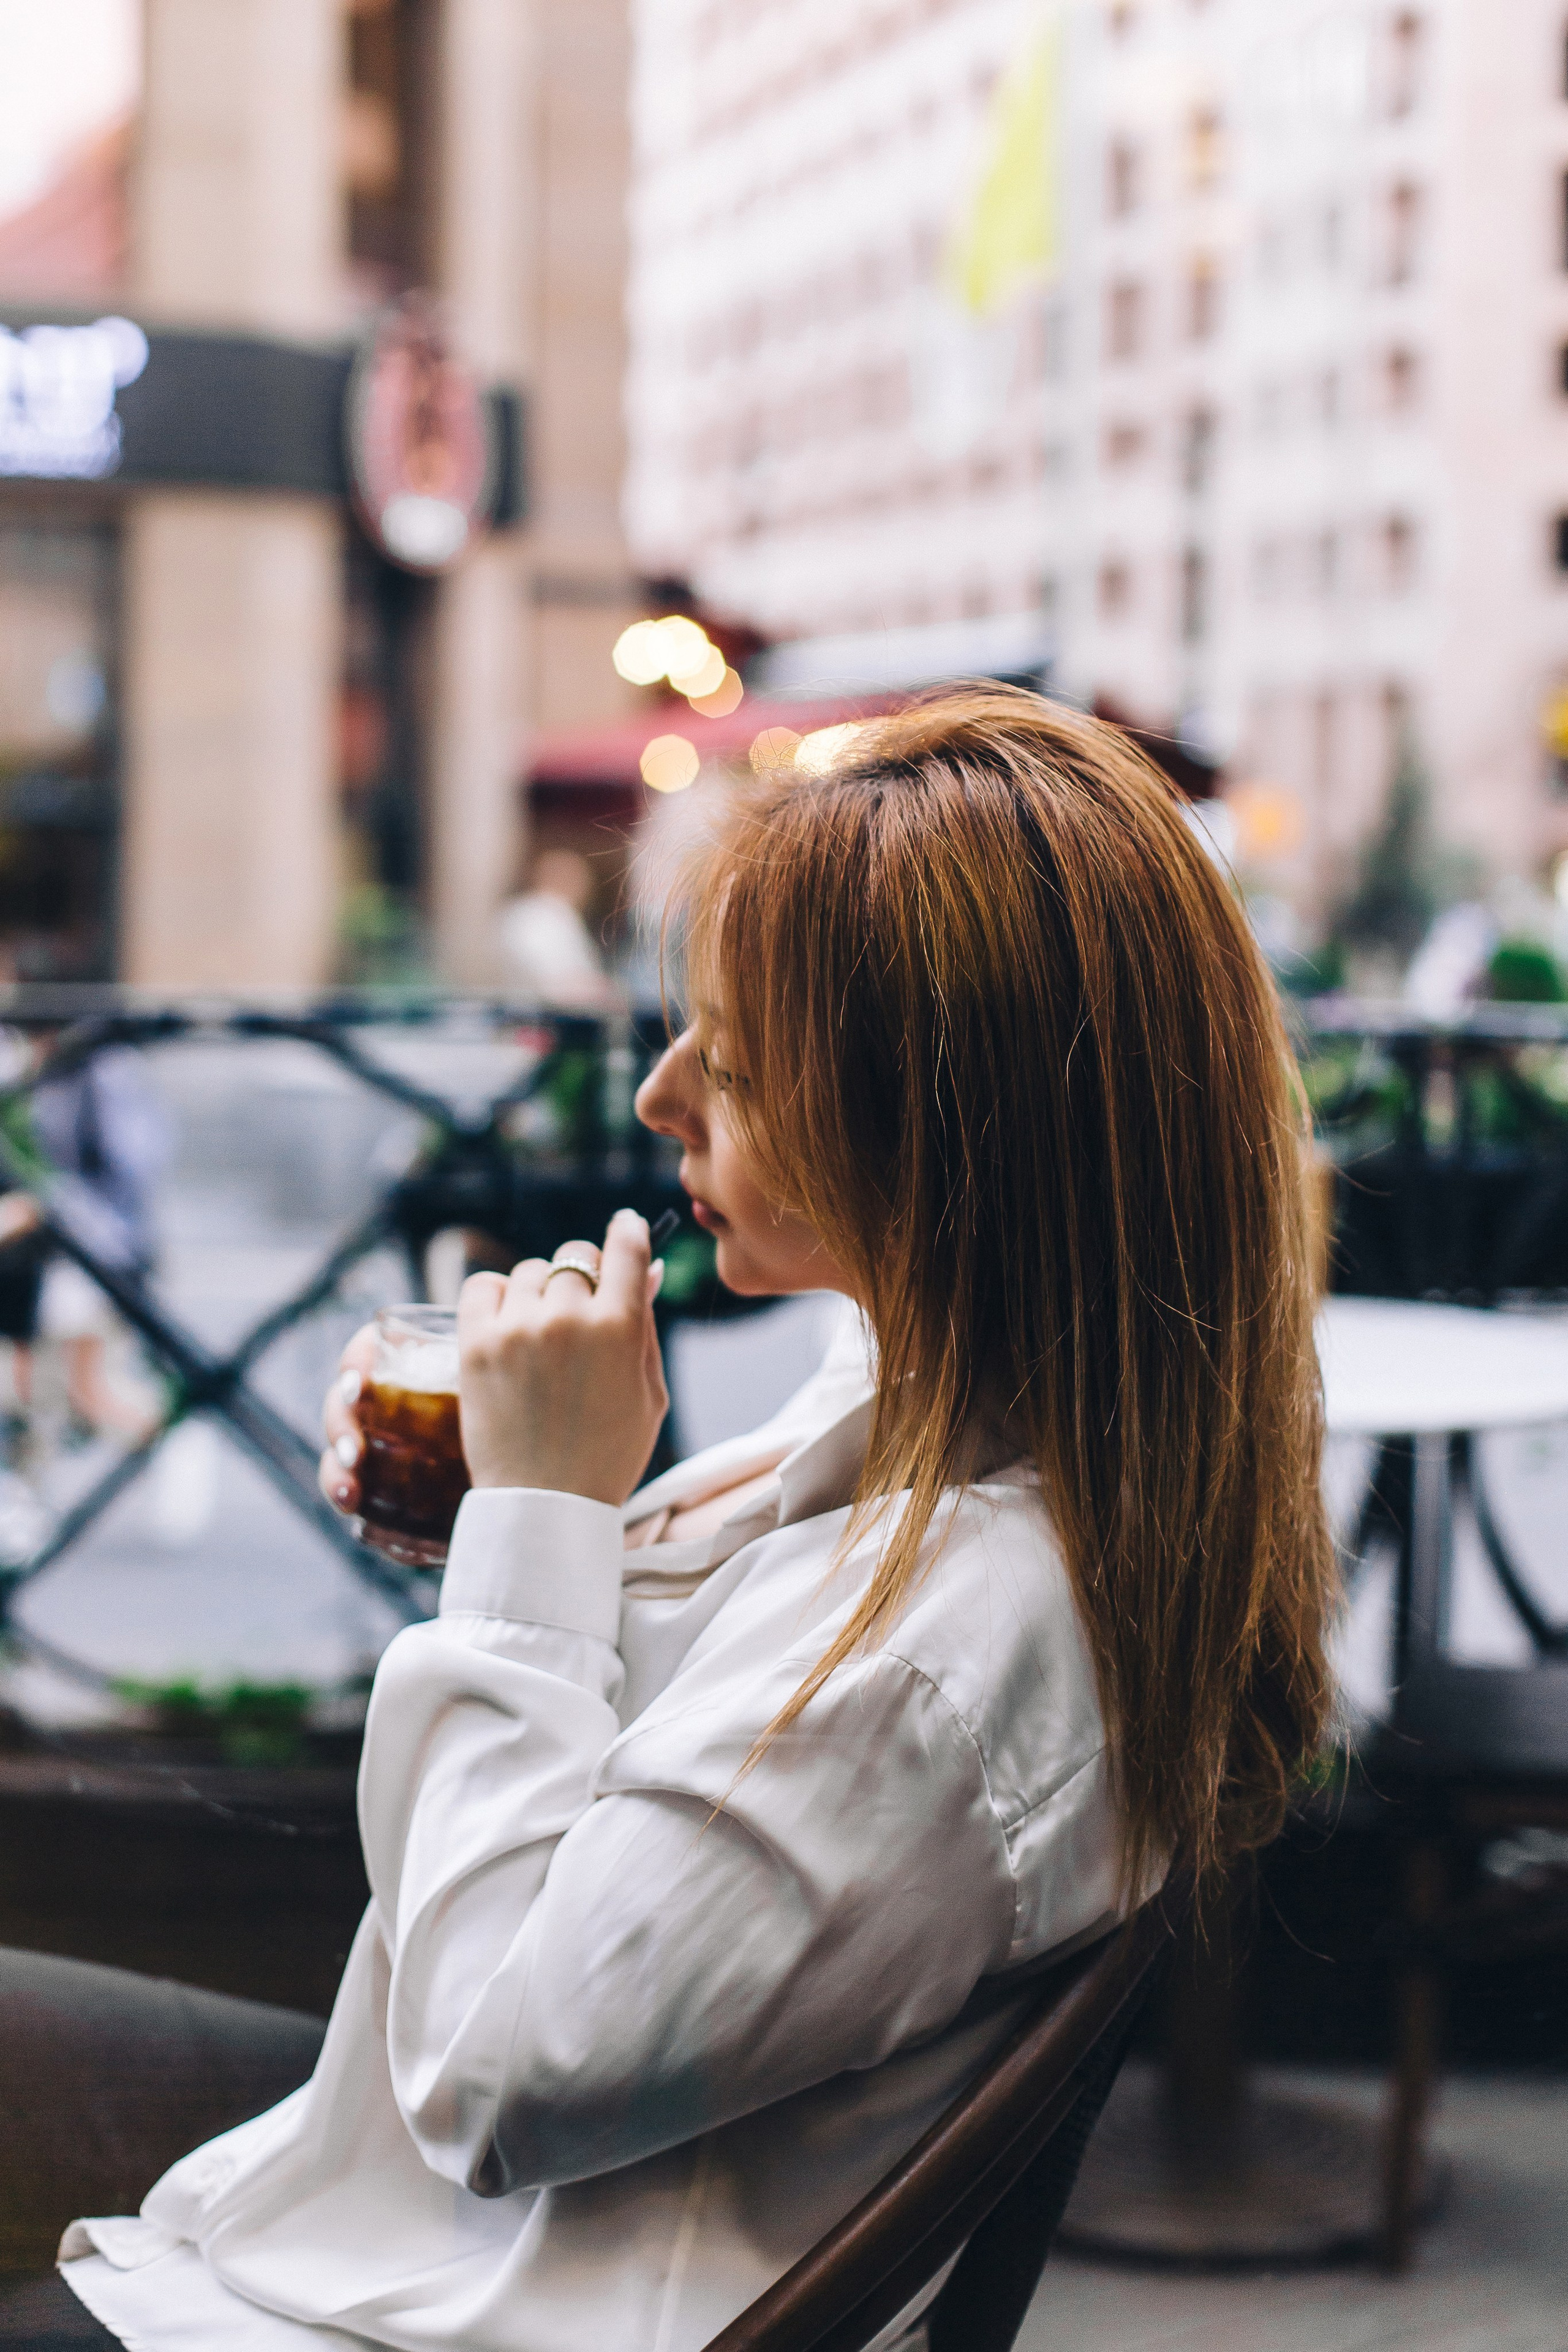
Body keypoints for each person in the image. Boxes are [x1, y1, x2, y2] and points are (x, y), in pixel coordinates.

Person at [47, 688, 1335, 2351]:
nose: (661, 1100)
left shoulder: (956, 1643)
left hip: (432, 2285)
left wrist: (537, 1526)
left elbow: (488, 2076)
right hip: (425, 2219)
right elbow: (714, 1767)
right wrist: (516, 1521)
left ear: (936, 1133)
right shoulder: (962, 1415)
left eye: (728, 1063)